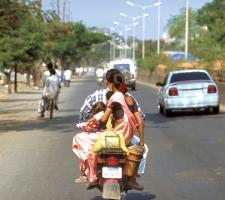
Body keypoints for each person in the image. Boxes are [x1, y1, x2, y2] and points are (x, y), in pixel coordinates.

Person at [86, 70, 145, 190]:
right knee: (144, 151)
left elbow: (103, 120)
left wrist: (95, 119)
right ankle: (132, 180)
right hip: (127, 138)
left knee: (91, 148)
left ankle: (93, 177)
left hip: (116, 137)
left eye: (107, 83)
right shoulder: (130, 99)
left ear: (110, 83)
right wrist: (142, 142)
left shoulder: (114, 97)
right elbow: (140, 121)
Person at [79, 69, 145, 121]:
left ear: (107, 82)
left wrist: (95, 118)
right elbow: (140, 117)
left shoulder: (95, 95)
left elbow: (83, 113)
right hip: (123, 134)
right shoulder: (128, 97)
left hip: (102, 133)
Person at [72, 102, 107, 183]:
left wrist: (88, 124)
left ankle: (85, 172)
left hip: (97, 136)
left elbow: (90, 124)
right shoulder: (107, 113)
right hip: (105, 136)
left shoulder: (99, 116)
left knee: (77, 139)